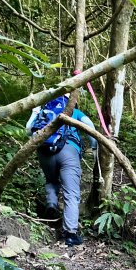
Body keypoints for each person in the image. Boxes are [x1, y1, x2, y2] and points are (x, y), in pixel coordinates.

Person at [26, 95, 97, 246]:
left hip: (44, 153)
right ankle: (70, 233)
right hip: (68, 151)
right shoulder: (74, 112)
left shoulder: (45, 111)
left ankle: (51, 204)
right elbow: (89, 125)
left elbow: (28, 131)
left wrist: (34, 111)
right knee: (71, 193)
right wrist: (94, 145)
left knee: (51, 180)